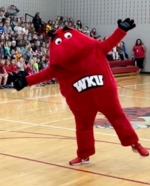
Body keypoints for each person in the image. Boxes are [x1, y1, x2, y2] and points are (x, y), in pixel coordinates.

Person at [14, 19, 149, 165]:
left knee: (118, 118)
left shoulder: (95, 48)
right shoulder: (59, 66)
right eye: (59, 41)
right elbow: (43, 75)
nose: (65, 42)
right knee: (83, 128)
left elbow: (111, 42)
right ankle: (84, 155)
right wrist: (25, 81)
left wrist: (121, 30)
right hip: (82, 102)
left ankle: (135, 144)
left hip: (105, 96)